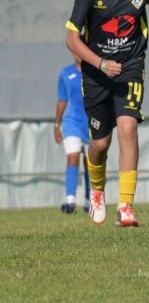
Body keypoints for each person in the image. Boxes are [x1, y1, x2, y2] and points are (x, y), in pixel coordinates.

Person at [65, 0, 149, 227]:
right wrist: (100, 63)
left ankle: (125, 206)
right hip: (96, 75)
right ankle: (97, 192)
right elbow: (71, 40)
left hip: (131, 66)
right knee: (100, 144)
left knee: (128, 127)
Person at [54, 53, 91, 213]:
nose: (79, 54)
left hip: (91, 124)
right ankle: (70, 202)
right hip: (72, 122)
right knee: (73, 157)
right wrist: (57, 125)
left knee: (91, 163)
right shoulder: (65, 73)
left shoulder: (95, 72)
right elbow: (62, 100)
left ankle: (90, 202)